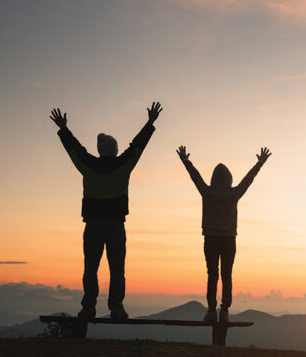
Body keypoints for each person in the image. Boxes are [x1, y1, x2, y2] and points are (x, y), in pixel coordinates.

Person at [49, 102, 162, 320]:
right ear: (115, 150)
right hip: (115, 225)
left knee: (90, 268)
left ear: (100, 151)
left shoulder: (87, 165)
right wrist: (150, 123)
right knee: (117, 269)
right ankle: (116, 308)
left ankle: (88, 307)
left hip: (92, 225)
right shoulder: (124, 165)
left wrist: (63, 129)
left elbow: (75, 149)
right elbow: (138, 146)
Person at [176, 145, 271, 322]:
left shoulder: (207, 192)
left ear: (214, 178)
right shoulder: (234, 193)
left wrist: (185, 160)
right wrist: (259, 163)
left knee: (212, 274)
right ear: (229, 179)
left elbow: (194, 177)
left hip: (210, 239)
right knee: (227, 275)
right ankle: (225, 311)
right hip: (229, 240)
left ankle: (211, 311)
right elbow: (248, 180)